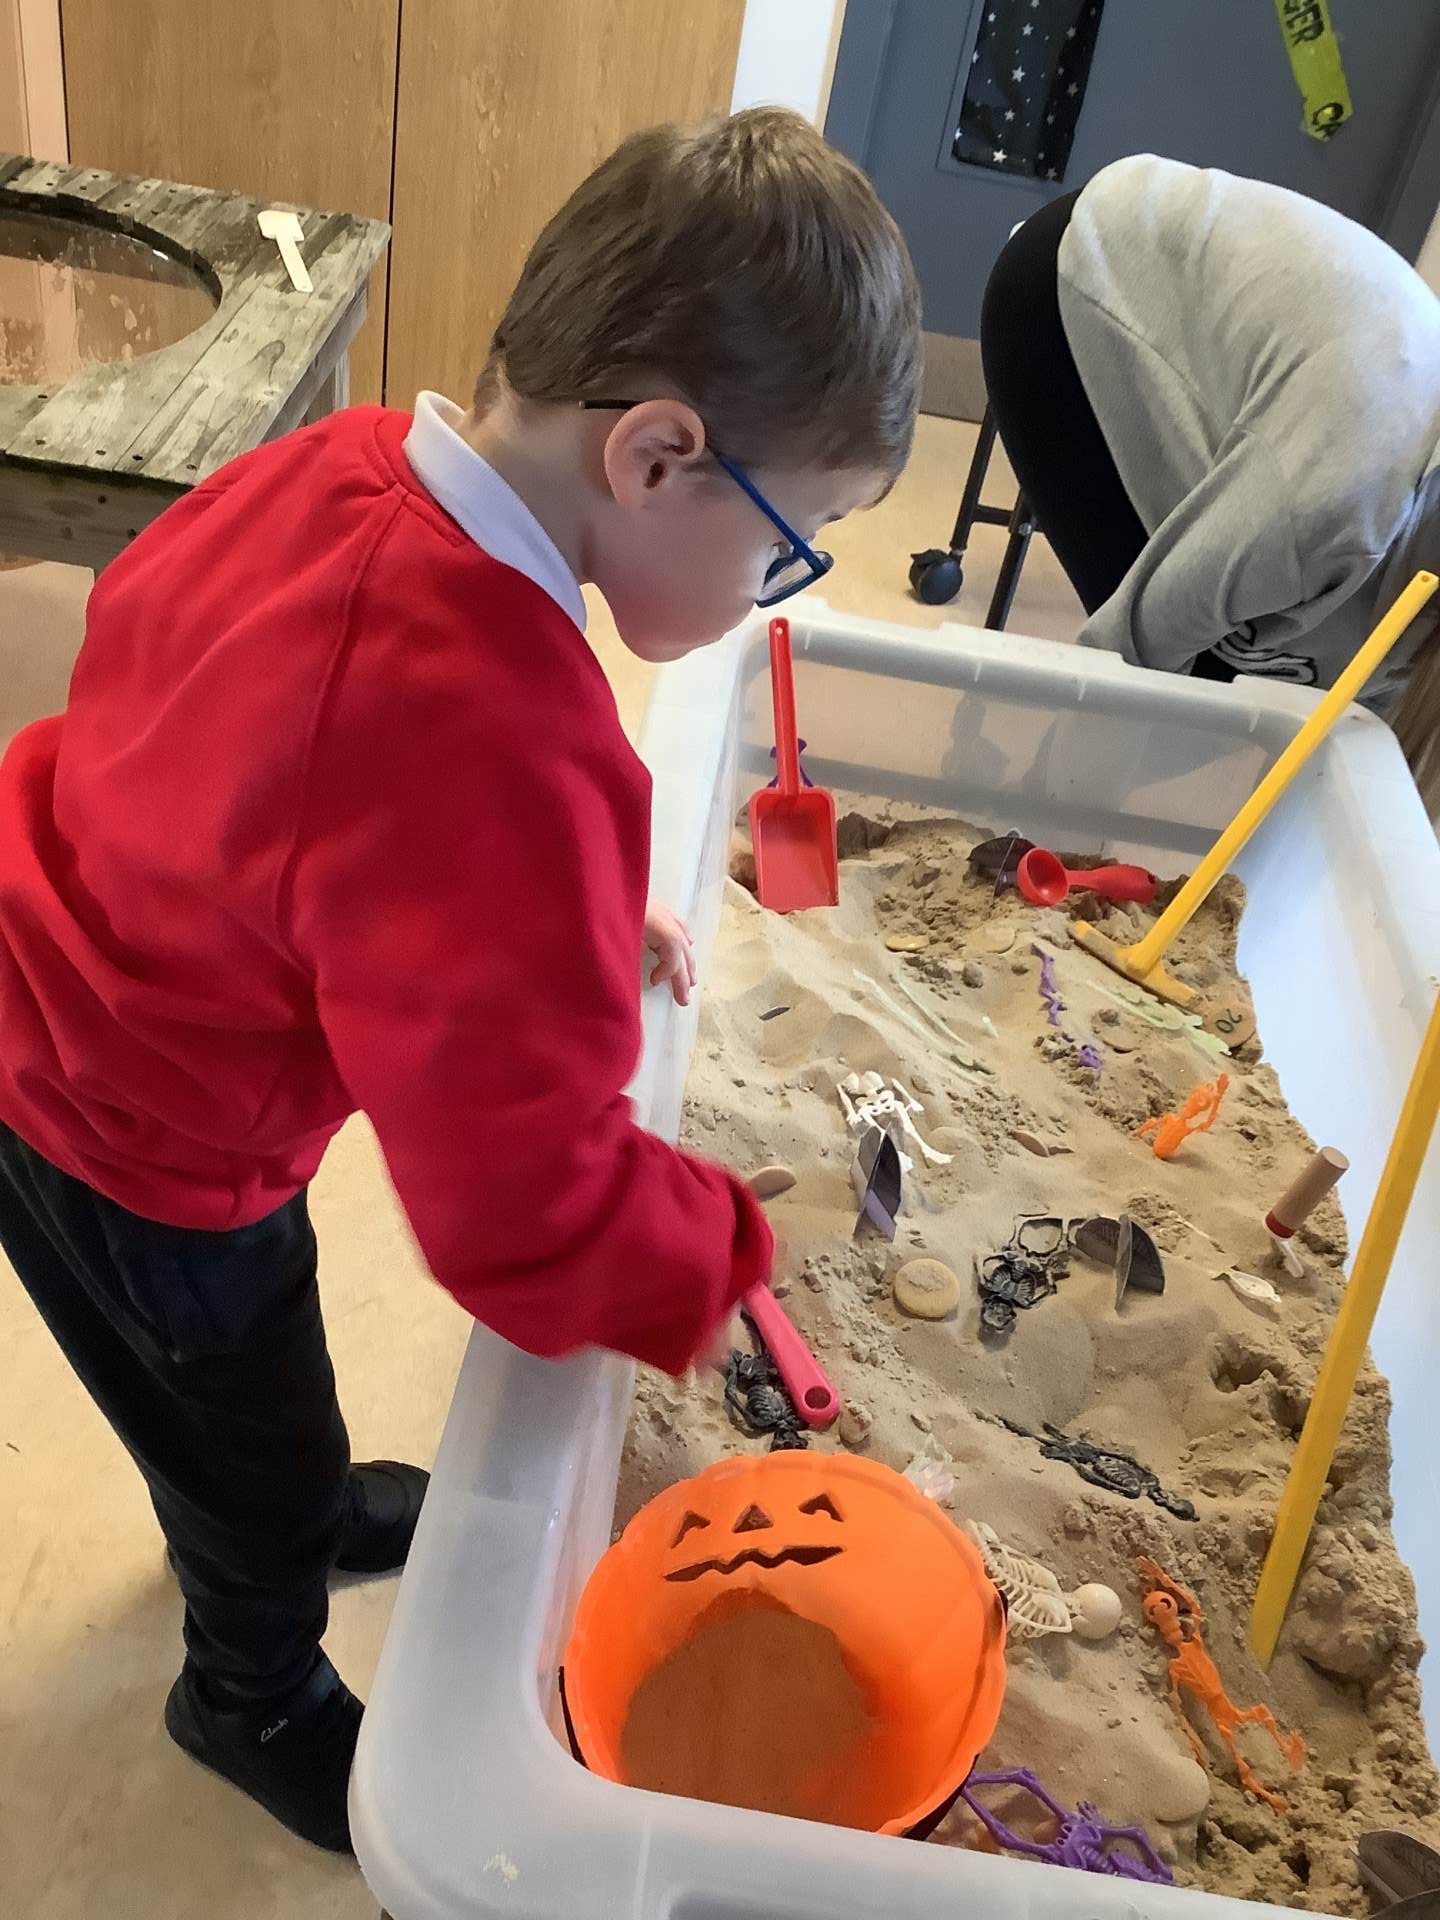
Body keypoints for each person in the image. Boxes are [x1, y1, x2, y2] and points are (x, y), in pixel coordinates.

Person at [0, 107, 920, 1853]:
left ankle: (293, 1490)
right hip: (140, 1146)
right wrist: (711, 1247)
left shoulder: (331, 465)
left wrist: (556, 922)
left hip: (60, 975)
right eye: (789, 543)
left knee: (244, 1397)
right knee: (240, 1454)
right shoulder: (494, 733)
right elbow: (517, 1207)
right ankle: (247, 1688)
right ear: (657, 455)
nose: (767, 593)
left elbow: (285, 781)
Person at [979, 154, 1440, 795]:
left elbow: (1349, 732)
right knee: (1179, 692)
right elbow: (1129, 648)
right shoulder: (1331, 511)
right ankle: (1034, 819)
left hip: (1314, 421)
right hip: (1085, 280)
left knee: (1227, 694)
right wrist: (1067, 808)